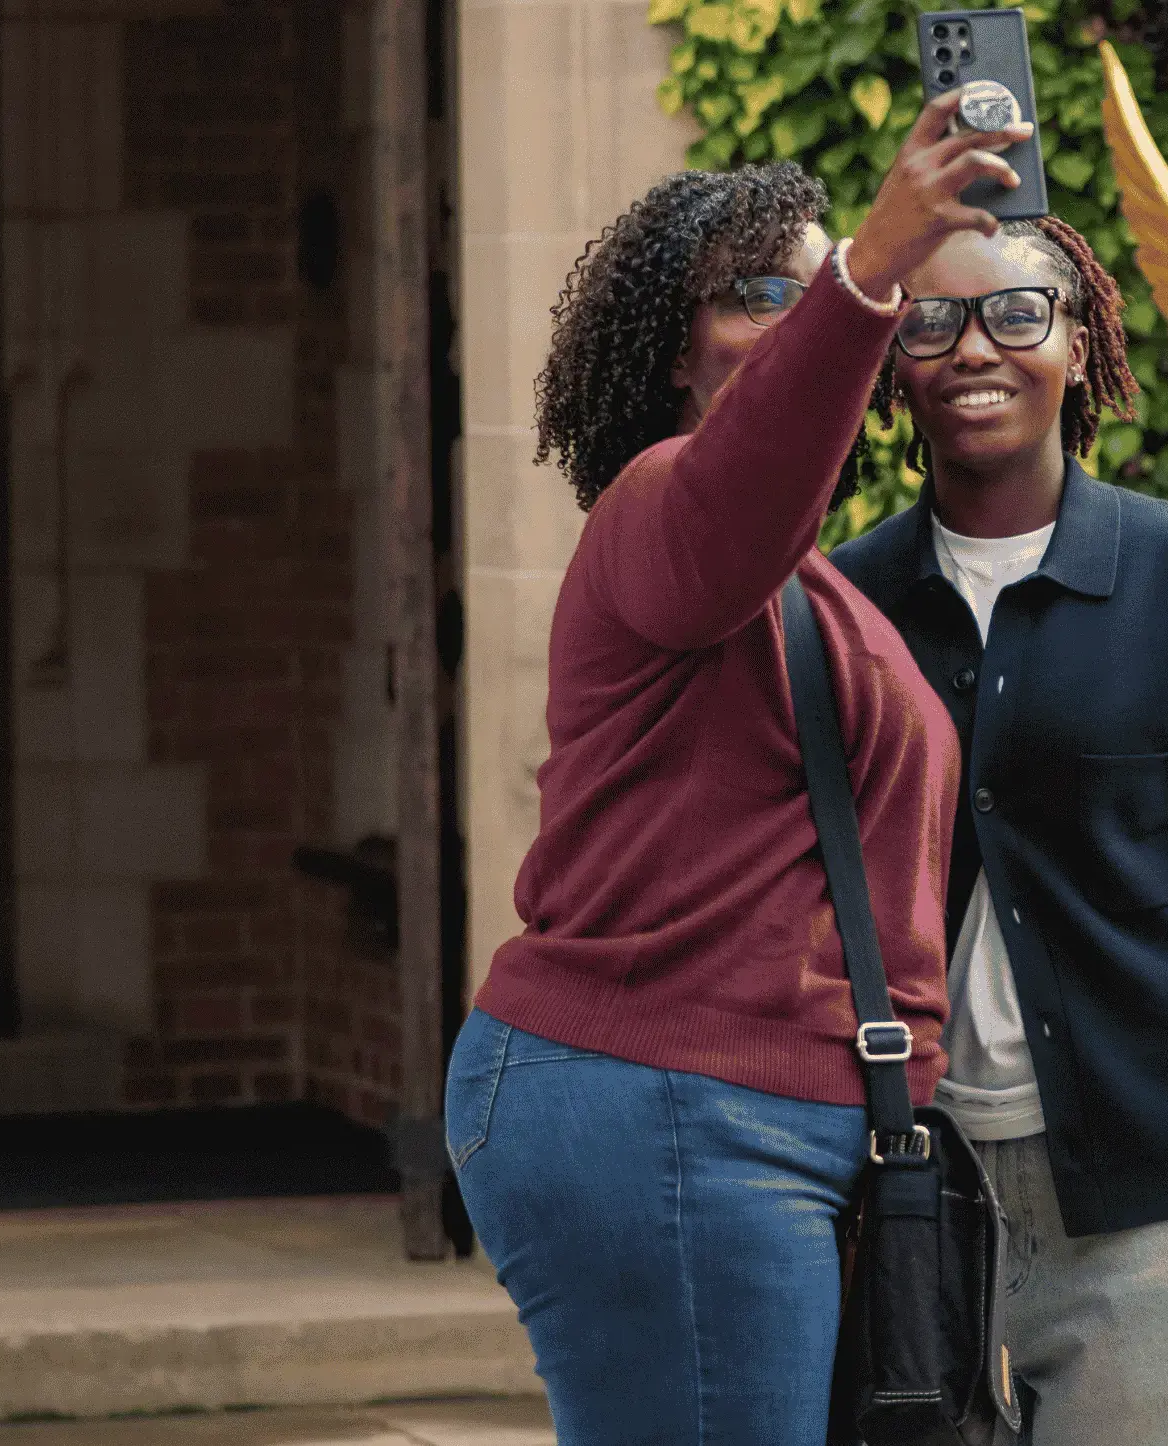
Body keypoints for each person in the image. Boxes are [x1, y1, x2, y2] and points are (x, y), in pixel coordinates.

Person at [445, 91, 1033, 1445]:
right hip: (670, 1109)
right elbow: (752, 475)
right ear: (670, 348)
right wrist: (869, 269)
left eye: (815, 282)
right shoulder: (660, 503)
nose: (799, 309)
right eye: (762, 287)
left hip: (770, 1123)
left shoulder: (814, 589)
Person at [831, 218, 1168, 1446]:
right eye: (931, 322)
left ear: (1080, 346)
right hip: (913, 1180)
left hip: (1153, 1203)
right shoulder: (846, 603)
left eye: (1017, 314)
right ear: (894, 369)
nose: (975, 349)